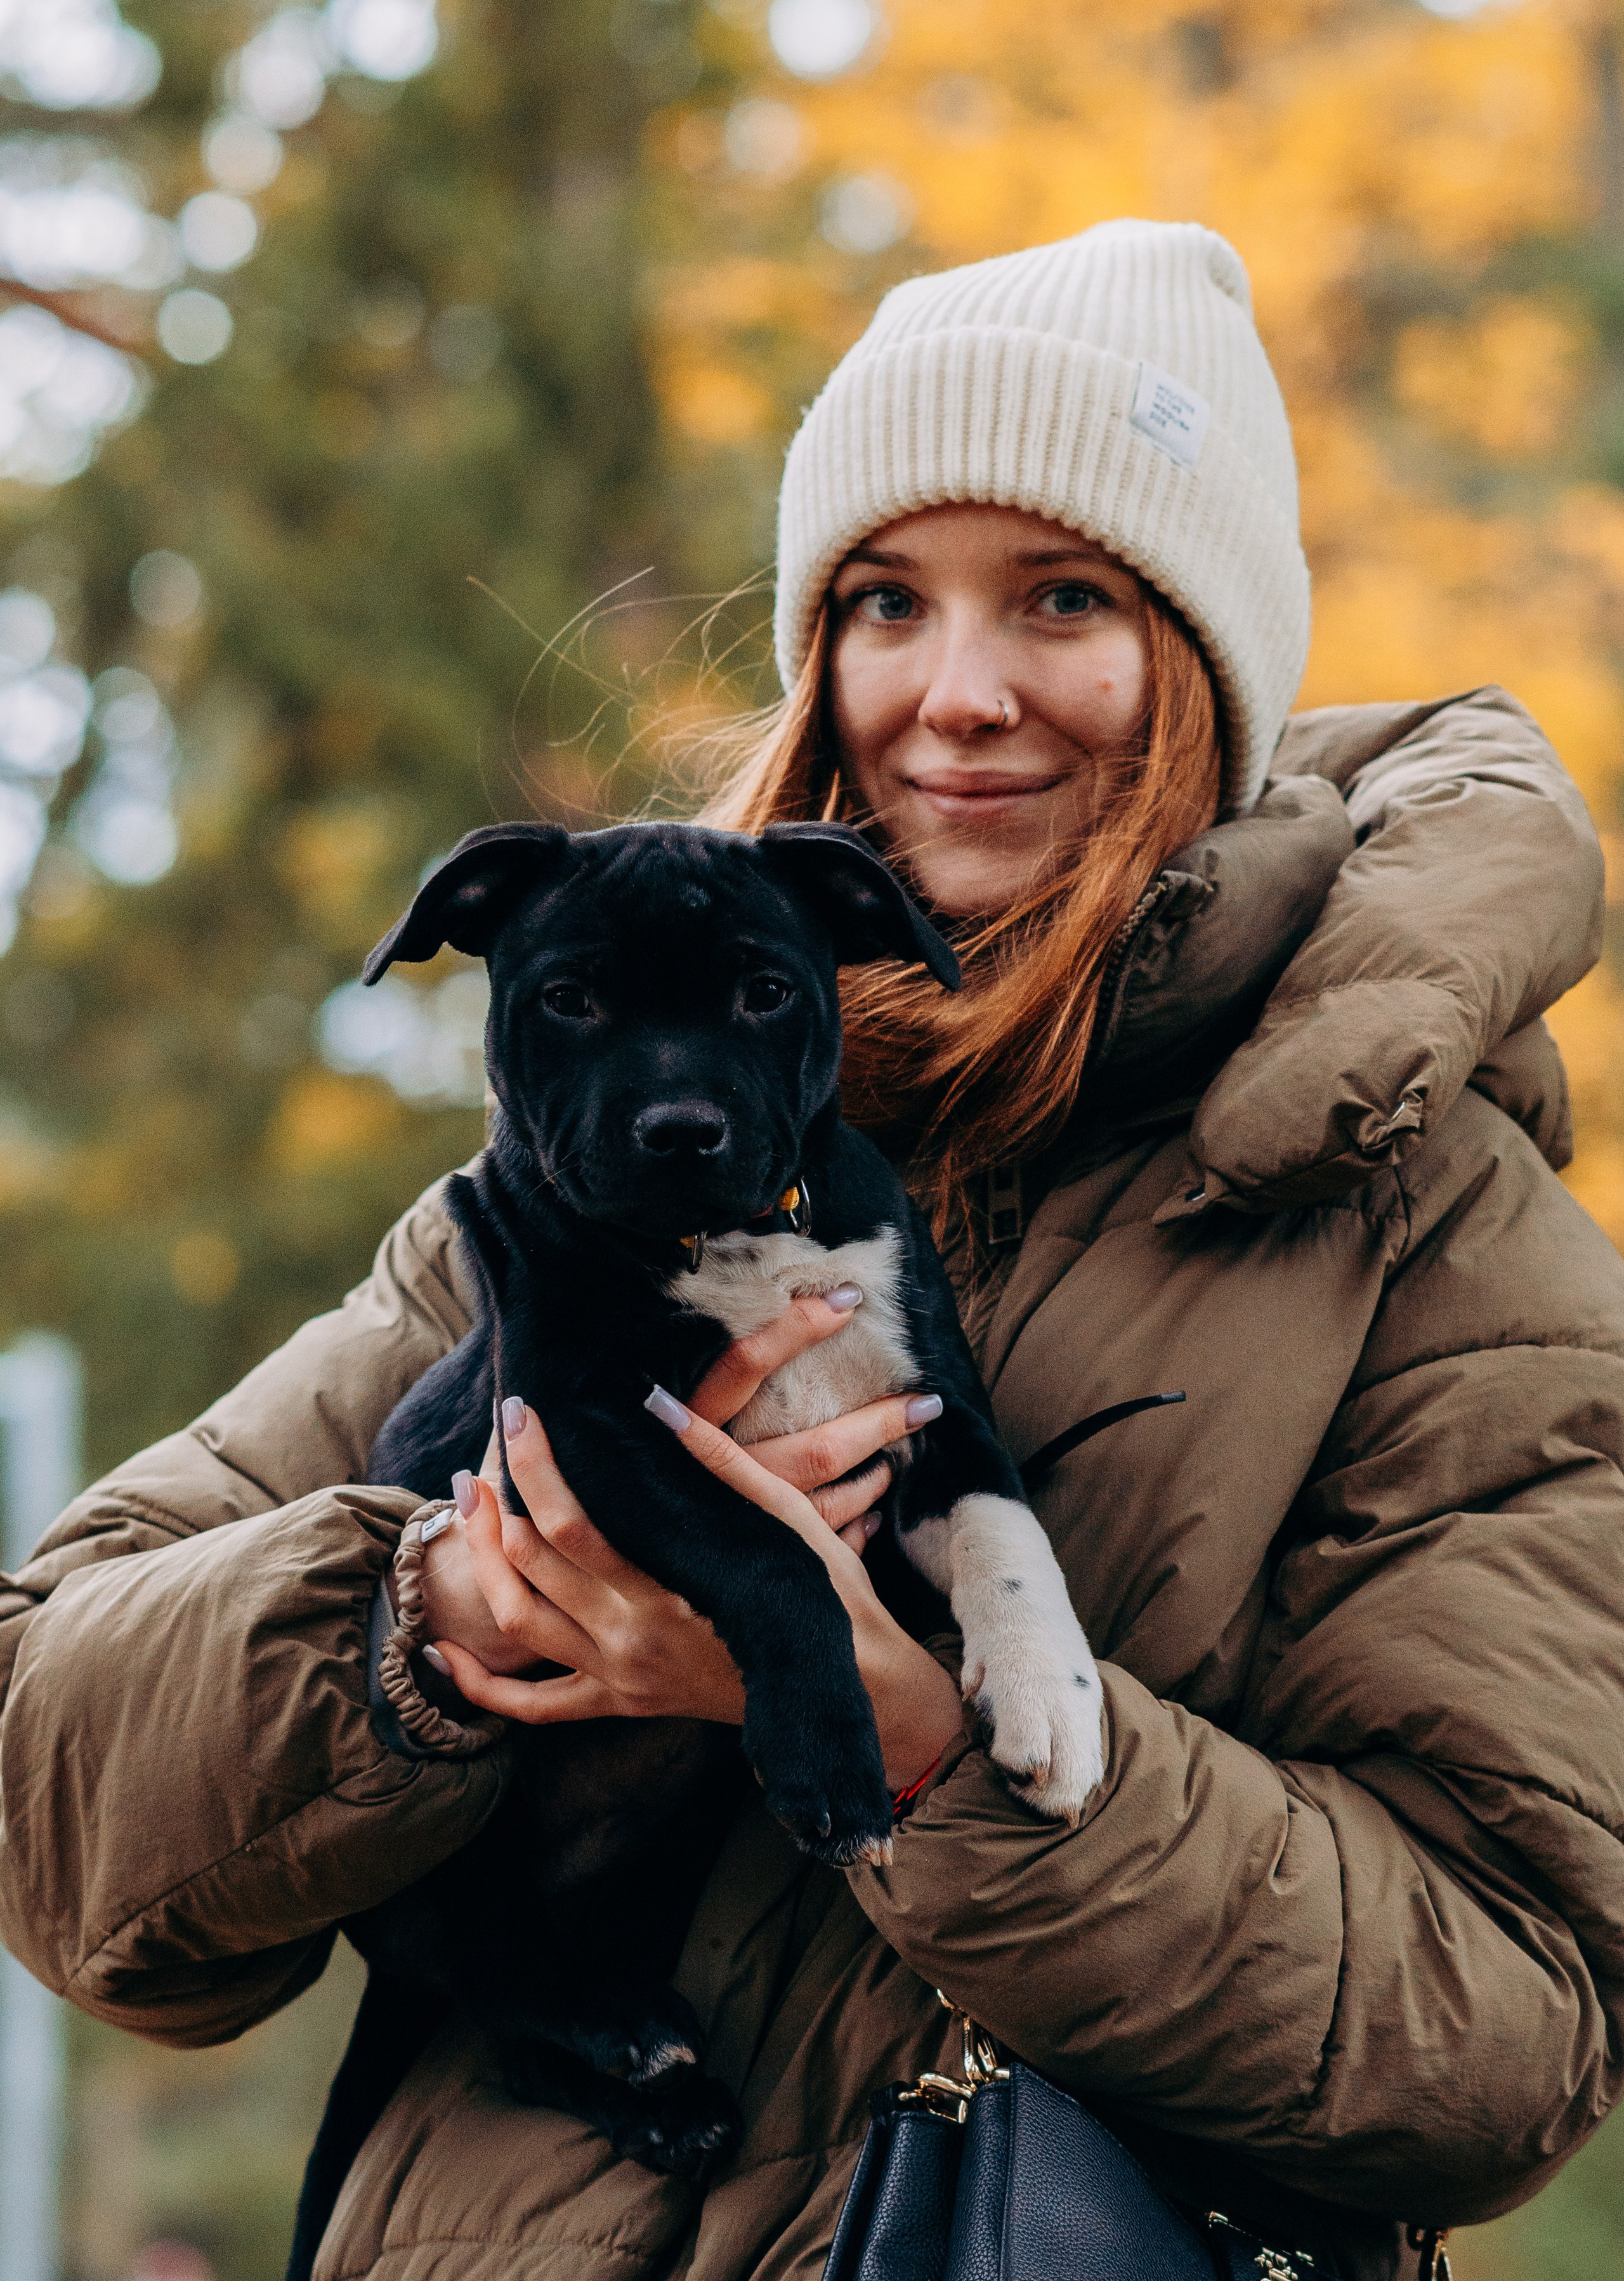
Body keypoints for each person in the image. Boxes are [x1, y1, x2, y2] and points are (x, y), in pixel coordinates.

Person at [3, 220, 1621, 2281]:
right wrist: (431, 1628)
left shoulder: (1440, 1245)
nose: (959, 697)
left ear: (1204, 659)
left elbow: (1499, 2040)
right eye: (884, 600)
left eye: (1065, 598)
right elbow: (47, 1788)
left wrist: (921, 1742)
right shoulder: (567, 1181)